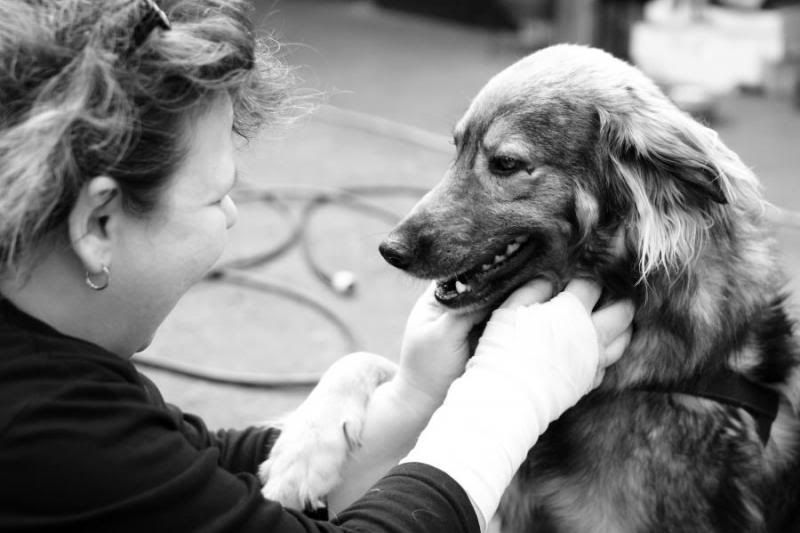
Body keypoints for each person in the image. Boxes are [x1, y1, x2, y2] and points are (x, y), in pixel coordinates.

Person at [0, 1, 635, 532]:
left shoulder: (56, 378)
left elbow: (197, 472)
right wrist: (507, 396)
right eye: (217, 196)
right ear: (99, 224)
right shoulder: (46, 432)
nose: (232, 216)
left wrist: (414, 394)